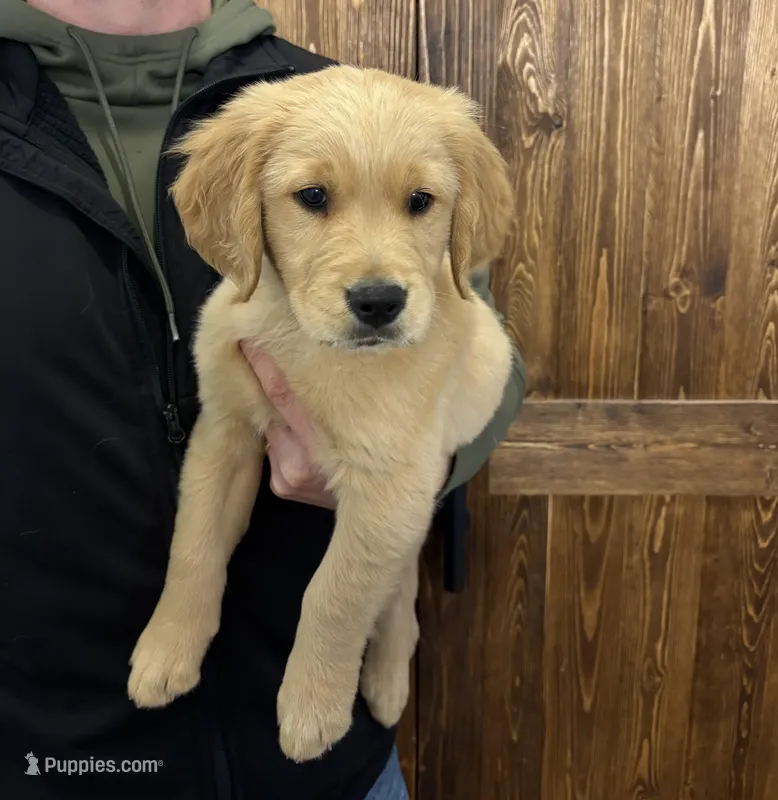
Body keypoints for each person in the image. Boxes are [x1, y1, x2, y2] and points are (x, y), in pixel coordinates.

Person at [0, 1, 526, 798]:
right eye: (315, 199)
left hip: (328, 770)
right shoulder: (253, 148)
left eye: (419, 203)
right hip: (58, 749)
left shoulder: (340, 92)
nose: (375, 272)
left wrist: (427, 460)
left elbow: (483, 346)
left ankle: (396, 621)